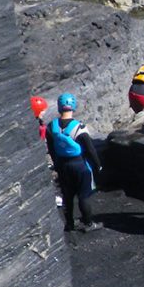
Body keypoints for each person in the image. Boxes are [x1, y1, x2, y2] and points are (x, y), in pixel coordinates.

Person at [46, 93, 103, 232]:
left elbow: (51, 148)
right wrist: (98, 165)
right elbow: (90, 149)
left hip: (62, 164)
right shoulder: (79, 127)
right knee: (83, 196)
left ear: (59, 107)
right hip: (80, 165)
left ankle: (70, 223)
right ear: (73, 107)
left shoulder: (51, 126)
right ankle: (88, 224)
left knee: (67, 195)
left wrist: (57, 165)